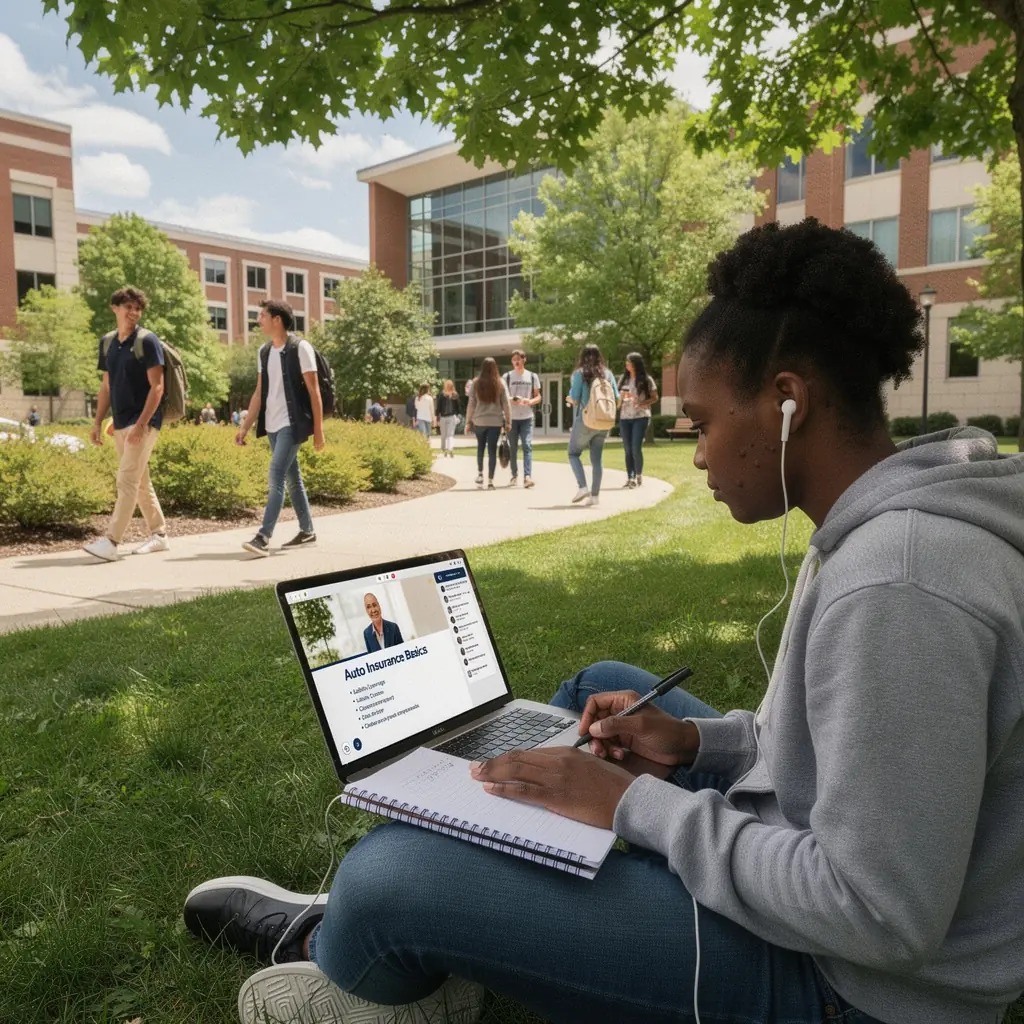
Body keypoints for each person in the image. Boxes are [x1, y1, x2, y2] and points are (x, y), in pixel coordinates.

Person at [185, 218, 1024, 1024]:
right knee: (600, 690)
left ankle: (359, 940)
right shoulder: (874, 530)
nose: (694, 453)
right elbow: (827, 748)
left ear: (786, 404)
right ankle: (478, 893)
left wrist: (632, 806)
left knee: (385, 876)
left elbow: (879, 915)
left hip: (842, 988)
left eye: (700, 423)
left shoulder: (901, 584)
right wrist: (698, 746)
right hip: (812, 890)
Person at [84, 286, 169, 561]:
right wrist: (97, 423)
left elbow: (157, 387)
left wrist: (142, 425)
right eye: (128, 307)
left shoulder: (147, 340)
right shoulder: (107, 342)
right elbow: (106, 386)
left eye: (137, 308)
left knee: (127, 480)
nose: (133, 312)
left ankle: (111, 542)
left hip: (143, 422)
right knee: (140, 481)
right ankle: (159, 535)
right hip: (119, 422)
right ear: (115, 308)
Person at [235, 299, 325, 557]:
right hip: (272, 424)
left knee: (275, 476)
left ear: (277, 319)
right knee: (292, 477)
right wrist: (244, 427)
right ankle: (307, 531)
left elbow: (314, 390)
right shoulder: (264, 351)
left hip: (292, 423)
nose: (258, 320)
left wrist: (318, 430)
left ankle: (263, 537)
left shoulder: (301, 347)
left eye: (262, 315)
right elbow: (259, 392)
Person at [566, 343, 619, 507]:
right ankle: (595, 496)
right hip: (604, 422)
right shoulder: (608, 374)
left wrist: (568, 399)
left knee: (573, 453)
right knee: (597, 459)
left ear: (582, 357)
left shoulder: (579, 373)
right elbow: (616, 397)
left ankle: (583, 487)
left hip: (586, 420)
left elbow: (574, 398)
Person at [465, 357, 510, 490]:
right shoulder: (500, 383)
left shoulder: (476, 383)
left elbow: (471, 403)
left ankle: (480, 474)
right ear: (495, 367)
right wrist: (508, 421)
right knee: (492, 451)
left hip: (479, 421)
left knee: (480, 447)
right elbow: (506, 404)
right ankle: (490, 481)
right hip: (495, 422)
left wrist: (468, 421)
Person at [618, 351, 659, 488]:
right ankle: (630, 477)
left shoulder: (646, 379)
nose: (626, 364)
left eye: (628, 362)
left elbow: (655, 397)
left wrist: (641, 403)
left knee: (635, 447)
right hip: (625, 417)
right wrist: (622, 397)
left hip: (641, 416)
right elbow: (617, 400)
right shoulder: (623, 380)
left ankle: (638, 475)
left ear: (635, 364)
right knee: (627, 449)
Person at [502, 349, 540, 488]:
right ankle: (514, 475)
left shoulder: (532, 376)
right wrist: (512, 399)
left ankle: (527, 477)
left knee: (527, 445)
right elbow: (502, 396)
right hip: (511, 417)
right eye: (513, 359)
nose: (516, 362)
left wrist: (529, 401)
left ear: (524, 359)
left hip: (527, 417)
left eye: (518, 359)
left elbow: (538, 396)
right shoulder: (506, 376)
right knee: (513, 448)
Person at [436, 379, 460, 459]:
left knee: (443, 435)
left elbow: (438, 407)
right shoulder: (455, 395)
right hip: (452, 417)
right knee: (450, 434)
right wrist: (458, 415)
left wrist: (437, 418)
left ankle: (444, 449)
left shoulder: (441, 395)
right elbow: (458, 407)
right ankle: (450, 449)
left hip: (443, 417)